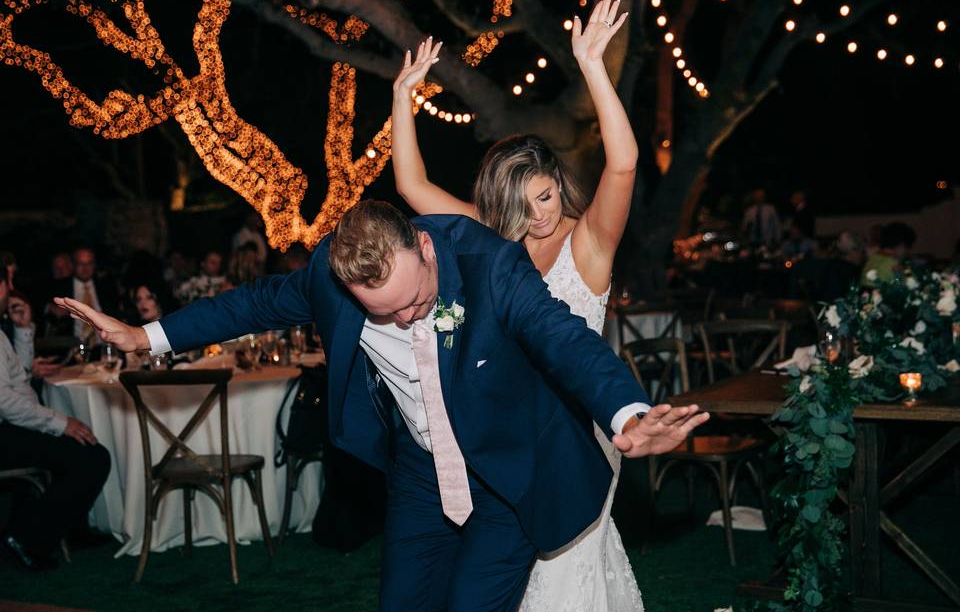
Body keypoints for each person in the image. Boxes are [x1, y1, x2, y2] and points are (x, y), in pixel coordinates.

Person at [56, 200, 708, 612]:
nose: (404, 318)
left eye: (414, 302)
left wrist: (627, 413)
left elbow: (564, 339)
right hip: (423, 472)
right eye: (384, 313)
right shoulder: (330, 279)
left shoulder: (490, 266)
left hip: (511, 470)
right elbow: (248, 304)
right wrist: (147, 336)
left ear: (424, 248)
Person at [390, 0, 643, 610]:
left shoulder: (589, 244)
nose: (539, 215)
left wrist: (592, 66)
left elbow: (625, 161)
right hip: (507, 433)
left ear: (560, 186)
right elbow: (412, 187)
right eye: (524, 203)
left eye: (547, 196)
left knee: (562, 577)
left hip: (579, 432)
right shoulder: (491, 241)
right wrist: (403, 97)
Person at [0, 276, 110, 571]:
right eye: (7, 280)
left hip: (10, 425)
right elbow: (6, 402)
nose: (12, 288)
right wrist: (60, 423)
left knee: (80, 448)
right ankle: (27, 538)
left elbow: (18, 377)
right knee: (92, 456)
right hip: (3, 431)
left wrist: (23, 330)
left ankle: (67, 529)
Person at [46, 248, 120, 344]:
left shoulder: (106, 286)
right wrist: (50, 308)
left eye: (89, 264)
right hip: (72, 346)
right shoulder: (61, 287)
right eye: (80, 264)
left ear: (94, 265)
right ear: (73, 265)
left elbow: (116, 314)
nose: (85, 268)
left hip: (104, 344)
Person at [861, 222, 916, 286]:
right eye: (907, 248)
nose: (907, 252)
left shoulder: (871, 260)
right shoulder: (894, 265)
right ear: (901, 246)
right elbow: (913, 286)